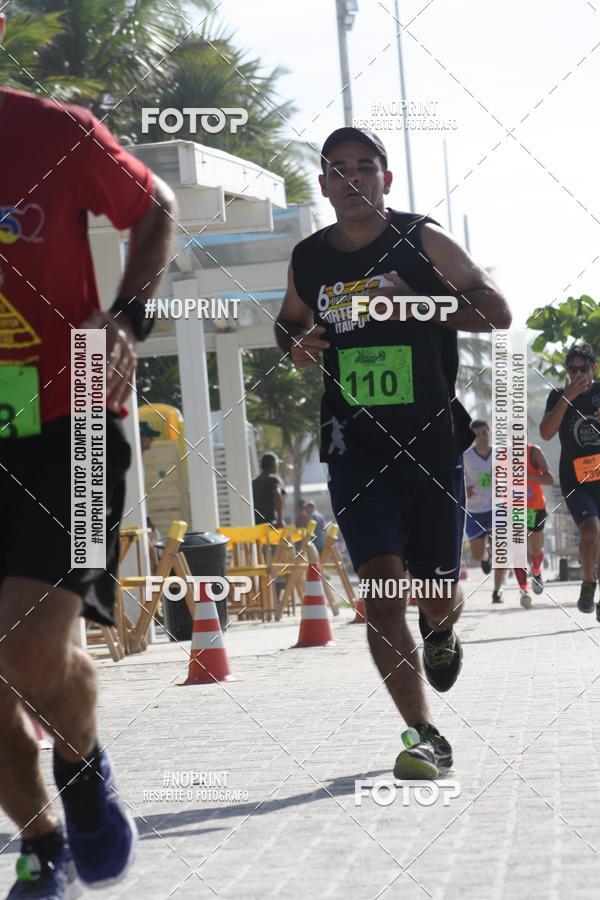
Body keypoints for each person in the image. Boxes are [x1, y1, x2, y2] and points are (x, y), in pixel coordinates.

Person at [0, 13, 177, 897]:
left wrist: (127, 316)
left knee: (32, 648)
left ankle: (82, 764)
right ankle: (40, 844)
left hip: (68, 412)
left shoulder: (53, 131)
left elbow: (155, 210)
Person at [274, 126, 511, 778]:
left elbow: (497, 310)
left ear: (386, 178)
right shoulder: (310, 258)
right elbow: (289, 320)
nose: (352, 180)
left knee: (436, 593)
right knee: (381, 592)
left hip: (431, 445)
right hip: (354, 450)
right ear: (323, 184)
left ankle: (439, 631)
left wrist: (422, 302)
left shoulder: (422, 238)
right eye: (338, 170)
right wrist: (293, 346)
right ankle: (422, 735)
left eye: (365, 168)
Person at [540, 343, 600, 616]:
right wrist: (567, 398)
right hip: (576, 479)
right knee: (590, 531)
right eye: (573, 370)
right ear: (567, 370)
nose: (578, 375)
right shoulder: (557, 396)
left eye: (584, 369)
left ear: (594, 369)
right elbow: (546, 433)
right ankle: (588, 583)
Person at [463, 420, 507, 604]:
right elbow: (456, 478)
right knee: (477, 555)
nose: (483, 436)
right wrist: (465, 490)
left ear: (490, 432)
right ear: (473, 438)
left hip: (498, 507)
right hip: (475, 510)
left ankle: (497, 590)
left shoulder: (500, 453)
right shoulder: (465, 456)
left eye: (485, 432)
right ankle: (486, 556)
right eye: (478, 434)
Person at [513, 443, 554, 606]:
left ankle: (536, 572)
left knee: (534, 549)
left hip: (535, 508)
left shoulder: (533, 452)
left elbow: (550, 479)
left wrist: (528, 476)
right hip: (514, 509)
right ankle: (523, 591)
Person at [252, 453, 285, 528]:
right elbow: (277, 494)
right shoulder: (273, 479)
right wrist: (280, 520)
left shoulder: (253, 483)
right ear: (274, 465)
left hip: (256, 526)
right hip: (270, 525)